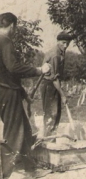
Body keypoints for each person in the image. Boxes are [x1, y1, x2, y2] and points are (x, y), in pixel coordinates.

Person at [0, 12, 51, 178]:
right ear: (13, 26)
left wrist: (24, 94)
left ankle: (29, 168)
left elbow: (8, 74)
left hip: (7, 90)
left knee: (26, 130)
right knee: (14, 132)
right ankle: (7, 174)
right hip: (7, 92)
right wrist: (38, 70)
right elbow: (13, 68)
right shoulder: (5, 41)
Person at [40, 31, 72, 137]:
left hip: (54, 84)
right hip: (49, 85)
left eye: (68, 43)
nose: (66, 45)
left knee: (56, 113)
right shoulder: (55, 55)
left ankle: (51, 137)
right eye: (63, 42)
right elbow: (54, 79)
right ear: (58, 42)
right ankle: (48, 139)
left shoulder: (61, 52)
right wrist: (63, 95)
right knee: (51, 114)